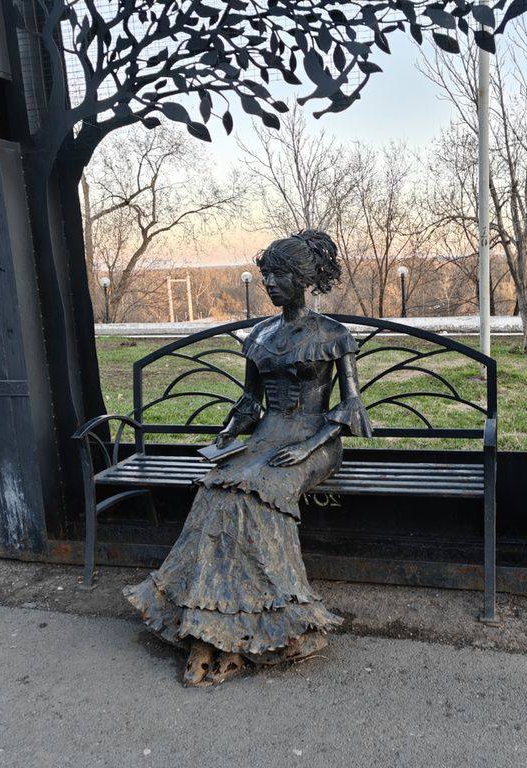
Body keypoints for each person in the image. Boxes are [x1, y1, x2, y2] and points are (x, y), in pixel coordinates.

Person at [124, 230, 372, 686]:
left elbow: (350, 409)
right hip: (265, 437)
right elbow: (250, 403)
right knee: (216, 491)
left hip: (315, 441)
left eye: (280, 274)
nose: (270, 283)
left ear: (304, 279)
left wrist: (307, 447)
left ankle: (278, 621)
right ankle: (207, 624)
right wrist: (228, 430)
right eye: (267, 275)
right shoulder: (260, 335)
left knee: (259, 493)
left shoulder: (333, 335)